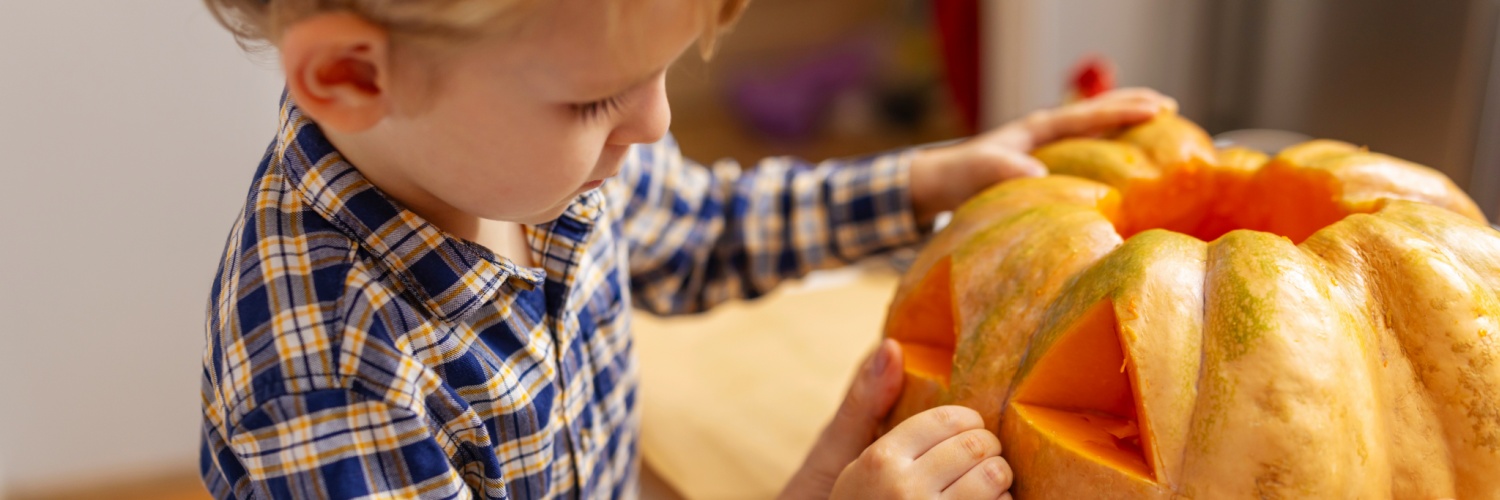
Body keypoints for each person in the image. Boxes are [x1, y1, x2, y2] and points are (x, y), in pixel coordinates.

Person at [197, 0, 1175, 497]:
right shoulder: (328, 378)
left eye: (662, 73)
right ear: (352, 76)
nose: (656, 124)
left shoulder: (523, 166)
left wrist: (933, 180)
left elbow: (701, 227)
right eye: (594, 99)